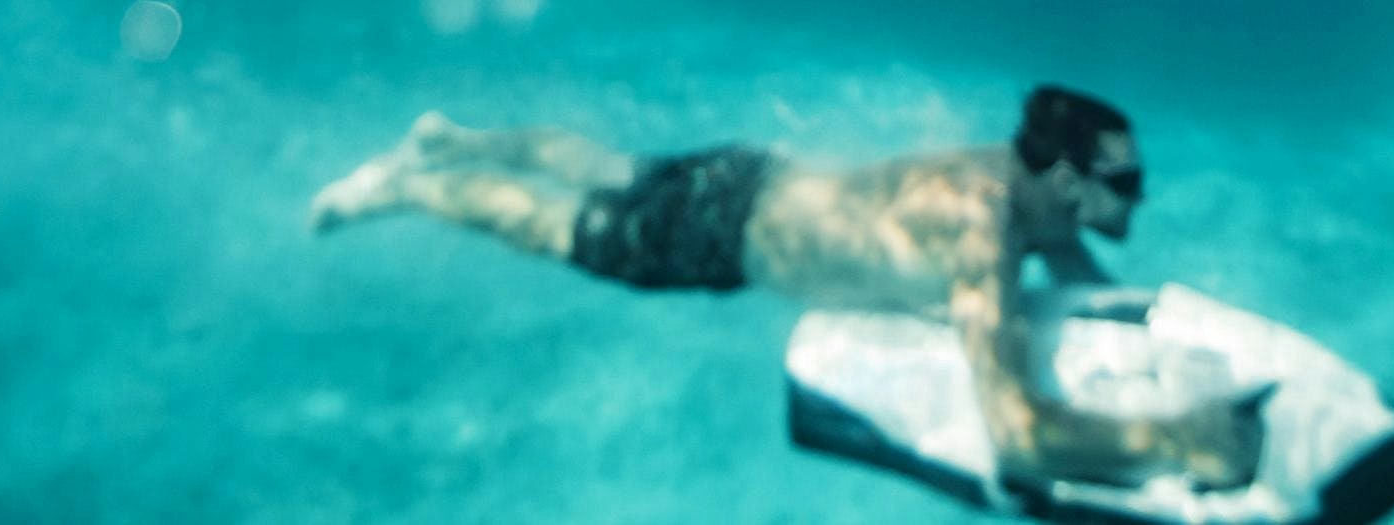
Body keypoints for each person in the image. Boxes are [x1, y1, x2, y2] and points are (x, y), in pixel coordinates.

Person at [309, 84, 1264, 491]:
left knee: (614, 167)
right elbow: (1017, 438)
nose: (1137, 196)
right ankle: (424, 182)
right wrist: (1174, 438)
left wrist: (1164, 337)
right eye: (1123, 184)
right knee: (558, 226)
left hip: (753, 172)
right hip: (722, 233)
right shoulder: (985, 228)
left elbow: (1082, 285)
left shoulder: (1018, 186)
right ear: (1062, 180)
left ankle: (459, 135)